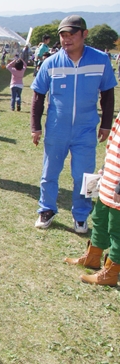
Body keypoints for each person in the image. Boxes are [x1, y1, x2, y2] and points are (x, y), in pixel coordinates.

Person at [31, 15, 117, 232]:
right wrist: (36, 126)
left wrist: (106, 124)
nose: (66, 39)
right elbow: (38, 95)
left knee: (85, 176)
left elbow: (107, 94)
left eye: (72, 34)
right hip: (57, 128)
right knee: (49, 172)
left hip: (86, 129)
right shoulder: (50, 62)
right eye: (63, 35)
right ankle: (46, 209)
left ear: (84, 34)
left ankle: (82, 214)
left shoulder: (101, 60)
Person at [64, 110, 120, 286]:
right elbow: (113, 145)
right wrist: (104, 169)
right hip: (109, 179)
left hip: (118, 186)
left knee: (116, 229)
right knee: (99, 218)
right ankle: (93, 257)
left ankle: (112, 272)